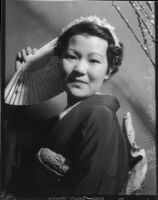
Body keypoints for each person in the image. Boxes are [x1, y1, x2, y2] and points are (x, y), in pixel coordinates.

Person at [5, 16, 146, 197]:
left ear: (108, 70)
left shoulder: (100, 116)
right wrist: (23, 81)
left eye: (94, 60)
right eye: (71, 56)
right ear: (59, 61)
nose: (80, 69)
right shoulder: (63, 119)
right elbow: (14, 158)